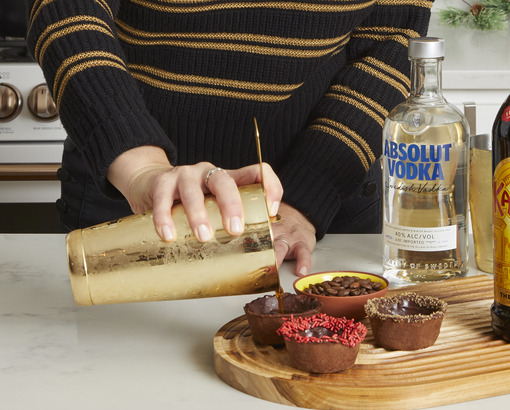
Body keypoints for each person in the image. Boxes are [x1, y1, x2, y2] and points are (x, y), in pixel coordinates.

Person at [26, 0, 433, 276]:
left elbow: (392, 42)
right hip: (129, 178)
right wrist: (142, 168)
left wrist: (306, 199)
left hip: (320, 197)